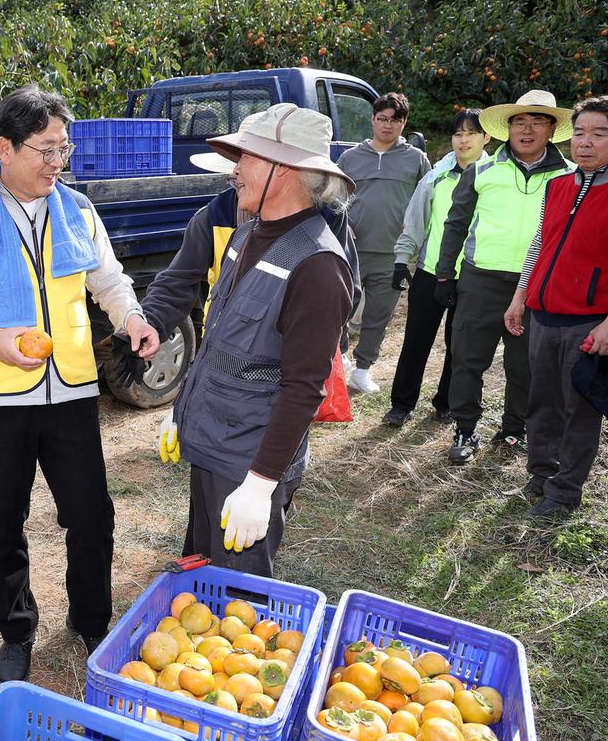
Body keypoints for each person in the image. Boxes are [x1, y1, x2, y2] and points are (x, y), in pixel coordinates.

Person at [0, 85, 160, 682]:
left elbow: (109, 280)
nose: (57, 162)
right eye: (45, 150)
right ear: (5, 148)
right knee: (3, 522)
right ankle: (17, 631)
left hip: (71, 390)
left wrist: (132, 317)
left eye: (63, 148)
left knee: (91, 515)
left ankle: (92, 621)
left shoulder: (77, 209)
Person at [154, 104, 355, 576]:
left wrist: (261, 484)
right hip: (212, 439)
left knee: (241, 606)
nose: (235, 170)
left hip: (249, 457)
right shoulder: (246, 236)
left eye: (246, 158)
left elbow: (305, 387)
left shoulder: (319, 266)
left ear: (283, 169)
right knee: (202, 569)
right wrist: (183, 407)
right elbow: (223, 340)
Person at [435, 90, 574, 464]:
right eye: (519, 122)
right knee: (467, 359)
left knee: (525, 364)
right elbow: (456, 223)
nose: (527, 130)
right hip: (481, 281)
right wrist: (445, 275)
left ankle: (514, 429)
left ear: (552, 129)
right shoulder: (482, 170)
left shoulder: (571, 177)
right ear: (508, 128)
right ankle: (465, 428)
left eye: (537, 122)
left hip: (537, 286)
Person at [504, 95, 608, 518]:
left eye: (600, 133)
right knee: (543, 401)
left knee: (581, 410)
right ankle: (540, 473)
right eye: (582, 133)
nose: (586, 143)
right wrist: (520, 295)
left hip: (590, 322)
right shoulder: (559, 185)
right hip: (543, 314)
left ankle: (565, 492)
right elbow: (541, 244)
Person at [383, 110, 491, 426]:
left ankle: (446, 402)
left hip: (473, 276)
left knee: (459, 347)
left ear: (487, 137)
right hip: (431, 272)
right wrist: (403, 259)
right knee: (416, 341)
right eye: (458, 133)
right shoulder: (436, 175)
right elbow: (416, 221)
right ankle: (401, 404)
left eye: (471, 133)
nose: (463, 139)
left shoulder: (494, 176)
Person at [338, 93, 431, 394]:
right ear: (372, 120)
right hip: (350, 250)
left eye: (395, 120)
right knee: (340, 308)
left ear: (404, 123)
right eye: (382, 119)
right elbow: (332, 197)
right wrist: (344, 223)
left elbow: (428, 200)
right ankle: (338, 360)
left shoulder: (416, 159)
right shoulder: (350, 157)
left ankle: (362, 369)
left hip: (394, 253)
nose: (387, 126)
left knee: (379, 313)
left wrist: (416, 226)